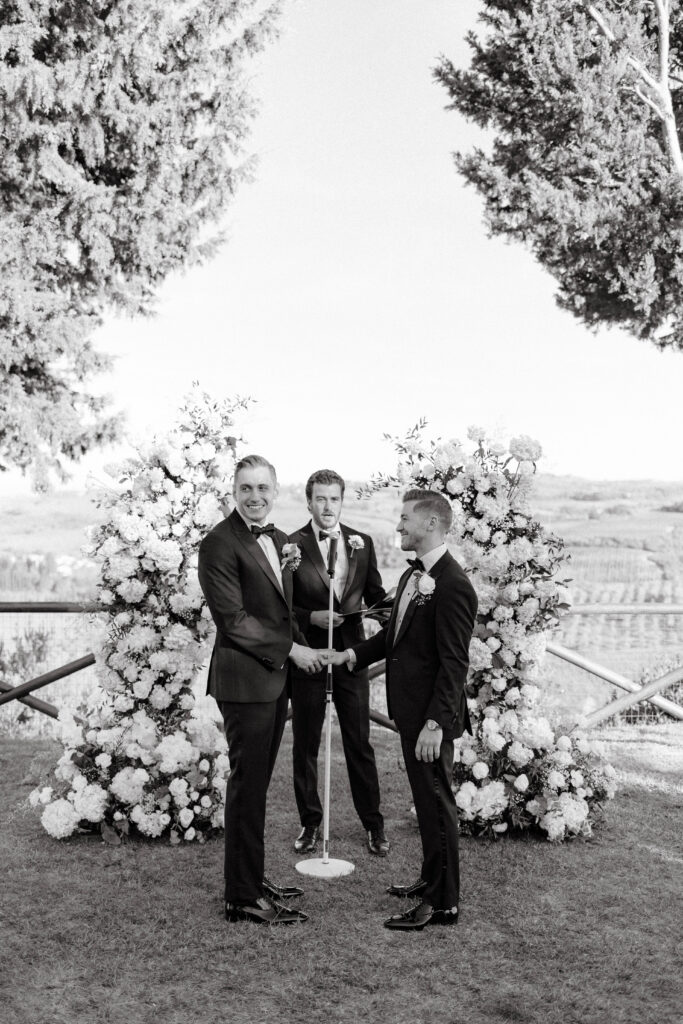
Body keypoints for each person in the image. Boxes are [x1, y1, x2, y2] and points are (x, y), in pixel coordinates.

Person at [325, 488, 477, 931]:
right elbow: (393, 636)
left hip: (430, 719)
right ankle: (431, 878)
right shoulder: (414, 578)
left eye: (406, 518)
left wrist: (435, 723)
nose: (398, 526)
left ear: (431, 523)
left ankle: (443, 902)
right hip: (410, 713)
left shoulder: (452, 585)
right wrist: (351, 656)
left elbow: (454, 664)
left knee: (436, 804)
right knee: (425, 802)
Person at [198, 454, 323, 926]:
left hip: (271, 681)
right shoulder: (218, 543)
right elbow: (233, 621)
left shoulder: (279, 540)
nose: (255, 497)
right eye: (246, 488)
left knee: (257, 788)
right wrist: (293, 650)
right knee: (247, 788)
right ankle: (242, 898)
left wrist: (309, 646)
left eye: (263, 488)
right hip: (245, 682)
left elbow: (280, 613)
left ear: (275, 490)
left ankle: (252, 878)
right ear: (234, 490)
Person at [288, 469, 391, 857]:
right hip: (310, 658)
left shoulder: (361, 543)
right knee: (306, 744)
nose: (327, 506)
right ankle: (310, 823)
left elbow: (376, 596)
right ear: (309, 501)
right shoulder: (291, 545)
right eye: (320, 499)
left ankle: (373, 825)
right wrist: (309, 618)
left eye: (334, 499)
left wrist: (396, 616)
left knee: (359, 743)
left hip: (350, 658)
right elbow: (281, 607)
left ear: (342, 501)